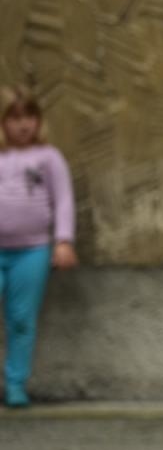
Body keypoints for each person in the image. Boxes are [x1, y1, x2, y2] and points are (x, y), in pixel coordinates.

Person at [1, 87, 76, 410]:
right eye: (15, 118)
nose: (23, 125)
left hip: (32, 252)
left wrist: (62, 240)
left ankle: (15, 383)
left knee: (21, 319)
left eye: (29, 117)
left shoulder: (49, 157)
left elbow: (64, 199)